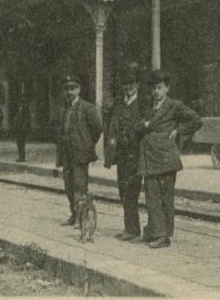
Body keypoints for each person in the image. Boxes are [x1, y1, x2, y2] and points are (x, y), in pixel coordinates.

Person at [137, 69, 202, 249]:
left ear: (167, 88)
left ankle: (163, 236)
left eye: (159, 88)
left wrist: (178, 131)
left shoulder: (174, 105)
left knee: (164, 198)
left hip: (165, 157)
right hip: (149, 157)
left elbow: (196, 120)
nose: (156, 92)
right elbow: (139, 123)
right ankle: (153, 230)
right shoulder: (150, 106)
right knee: (151, 196)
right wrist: (143, 125)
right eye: (153, 88)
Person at [105, 70, 148, 241]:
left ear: (137, 85)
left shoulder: (143, 105)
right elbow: (112, 128)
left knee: (131, 192)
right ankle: (129, 228)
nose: (128, 87)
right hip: (122, 156)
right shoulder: (119, 105)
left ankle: (133, 230)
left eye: (132, 84)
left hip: (137, 156)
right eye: (125, 84)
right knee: (123, 191)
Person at [55, 75, 104, 227]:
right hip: (67, 154)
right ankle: (74, 214)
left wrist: (87, 145)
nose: (69, 92)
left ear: (79, 89)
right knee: (68, 186)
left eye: (72, 88)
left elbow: (98, 129)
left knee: (80, 187)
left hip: (80, 155)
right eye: (66, 89)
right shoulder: (65, 109)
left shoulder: (87, 107)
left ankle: (81, 218)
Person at [12, 96, 31, 162]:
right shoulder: (20, 109)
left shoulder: (24, 108)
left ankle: (22, 157)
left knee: (21, 143)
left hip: (21, 129)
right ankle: (21, 156)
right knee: (19, 143)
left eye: (19, 102)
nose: (18, 104)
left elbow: (25, 120)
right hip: (19, 129)